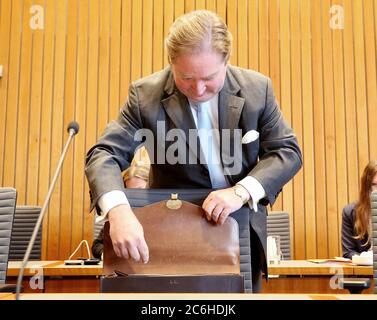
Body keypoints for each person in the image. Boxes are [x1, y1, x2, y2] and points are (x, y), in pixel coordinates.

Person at [85, 10, 302, 292]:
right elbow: (104, 154)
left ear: (227, 61)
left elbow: (286, 151)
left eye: (209, 77)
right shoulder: (144, 95)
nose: (198, 89)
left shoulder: (257, 90)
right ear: (171, 63)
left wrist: (240, 192)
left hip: (240, 231)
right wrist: (118, 210)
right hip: (172, 234)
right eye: (186, 78)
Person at [91, 152, 150, 260]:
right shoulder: (119, 214)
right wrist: (107, 255)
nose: (135, 198)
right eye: (130, 193)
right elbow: (97, 245)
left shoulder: (160, 213)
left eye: (140, 191)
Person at [342, 160, 377, 259]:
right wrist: (366, 258)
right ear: (366, 187)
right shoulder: (349, 212)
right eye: (374, 185)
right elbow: (348, 252)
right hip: (364, 272)